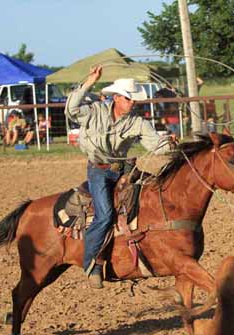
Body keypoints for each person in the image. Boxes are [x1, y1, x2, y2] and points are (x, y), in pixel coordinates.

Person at [65, 65, 174, 289]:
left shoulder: (137, 123)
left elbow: (154, 144)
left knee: (156, 194)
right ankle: (92, 263)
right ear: (116, 98)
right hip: (99, 170)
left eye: (133, 99)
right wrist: (90, 81)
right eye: (128, 98)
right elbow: (71, 109)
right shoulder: (94, 111)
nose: (132, 102)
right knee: (104, 215)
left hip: (124, 169)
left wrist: (169, 143)